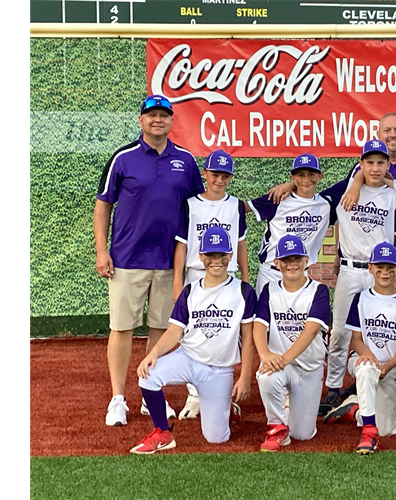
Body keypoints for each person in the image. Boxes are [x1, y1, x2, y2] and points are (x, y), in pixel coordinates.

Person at [95, 94, 204, 426]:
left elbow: (201, 204)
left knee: (160, 328)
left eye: (164, 115)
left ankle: (148, 392)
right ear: (141, 120)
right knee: (122, 328)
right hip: (126, 259)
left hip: (169, 262)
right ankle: (117, 399)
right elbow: (103, 205)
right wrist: (102, 250)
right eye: (151, 114)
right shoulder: (123, 158)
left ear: (172, 121)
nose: (158, 120)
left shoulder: (184, 160)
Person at [130, 226, 256, 454]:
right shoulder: (190, 291)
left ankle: (226, 406)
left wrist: (245, 375)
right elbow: (174, 332)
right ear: (201, 257)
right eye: (210, 255)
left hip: (219, 370)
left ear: (230, 256)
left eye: (221, 255)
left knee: (216, 439)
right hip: (188, 358)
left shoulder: (244, 291)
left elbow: (248, 339)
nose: (215, 261)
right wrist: (153, 353)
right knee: (148, 376)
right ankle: (162, 433)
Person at [320, 140, 396, 415]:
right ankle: (334, 388)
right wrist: (355, 182)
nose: (375, 168)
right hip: (349, 270)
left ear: (388, 165)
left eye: (381, 162)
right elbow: (309, 195)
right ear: (360, 164)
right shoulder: (346, 188)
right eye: (370, 162)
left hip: (379, 272)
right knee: (341, 333)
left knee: (378, 331)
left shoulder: (393, 192)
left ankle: (373, 385)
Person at [322, 242, 396, 454]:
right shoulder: (361, 298)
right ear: (370, 268)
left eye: (390, 268)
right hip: (361, 358)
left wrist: (388, 367)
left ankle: (354, 409)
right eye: (379, 267)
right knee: (368, 368)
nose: (384, 272)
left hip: (390, 365)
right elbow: (356, 339)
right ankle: (368, 433)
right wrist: (369, 355)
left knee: (387, 429)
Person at [171, 149, 249, 420]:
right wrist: (177, 281)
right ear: (205, 174)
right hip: (195, 274)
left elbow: (240, 244)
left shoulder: (235, 205)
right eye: (215, 173)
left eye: (225, 175)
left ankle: (221, 394)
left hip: (227, 277)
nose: (219, 179)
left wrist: (246, 280)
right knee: (193, 335)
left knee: (224, 334)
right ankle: (195, 396)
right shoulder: (190, 204)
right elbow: (181, 245)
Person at [253, 235, 331, 452]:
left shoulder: (320, 291)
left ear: (306, 260)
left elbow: (311, 330)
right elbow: (259, 325)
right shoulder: (270, 289)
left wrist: (282, 359)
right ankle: (277, 427)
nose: (292, 264)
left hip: (309, 368)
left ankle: (290, 409)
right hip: (281, 365)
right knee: (266, 376)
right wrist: (265, 355)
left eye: (296, 258)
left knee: (302, 434)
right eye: (286, 260)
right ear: (277, 263)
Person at [245, 153, 338, 296]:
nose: (306, 179)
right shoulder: (277, 199)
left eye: (311, 174)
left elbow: (354, 175)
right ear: (292, 178)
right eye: (300, 175)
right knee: (266, 317)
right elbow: (242, 208)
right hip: (271, 273)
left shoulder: (326, 204)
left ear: (320, 176)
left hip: (301, 274)